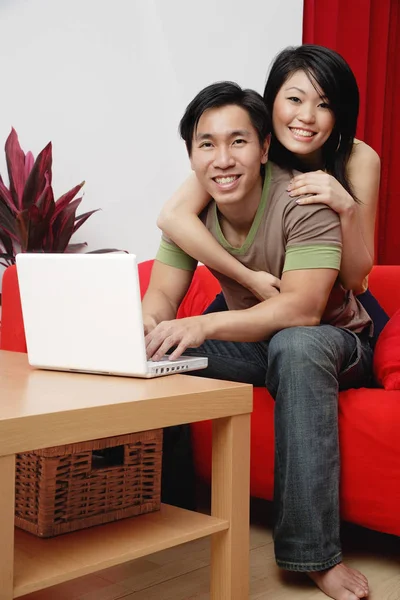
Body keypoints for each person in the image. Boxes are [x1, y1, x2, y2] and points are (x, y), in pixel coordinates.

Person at [143, 81, 373, 600]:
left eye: (238, 142)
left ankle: (315, 556)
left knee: (295, 344)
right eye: (207, 144)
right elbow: (160, 293)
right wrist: (149, 324)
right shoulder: (194, 217)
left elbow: (301, 308)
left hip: (333, 341)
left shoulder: (303, 198)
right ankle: (166, 509)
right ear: (192, 154)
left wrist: (202, 325)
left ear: (266, 146)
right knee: (154, 349)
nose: (222, 159)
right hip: (254, 344)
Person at [157, 45, 388, 343]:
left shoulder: (358, 158)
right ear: (272, 102)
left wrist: (346, 208)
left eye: (324, 105)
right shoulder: (244, 152)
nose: (306, 116)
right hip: (255, 294)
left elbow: (355, 281)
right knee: (183, 348)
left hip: (331, 299)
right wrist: (248, 278)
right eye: (294, 99)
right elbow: (172, 217)